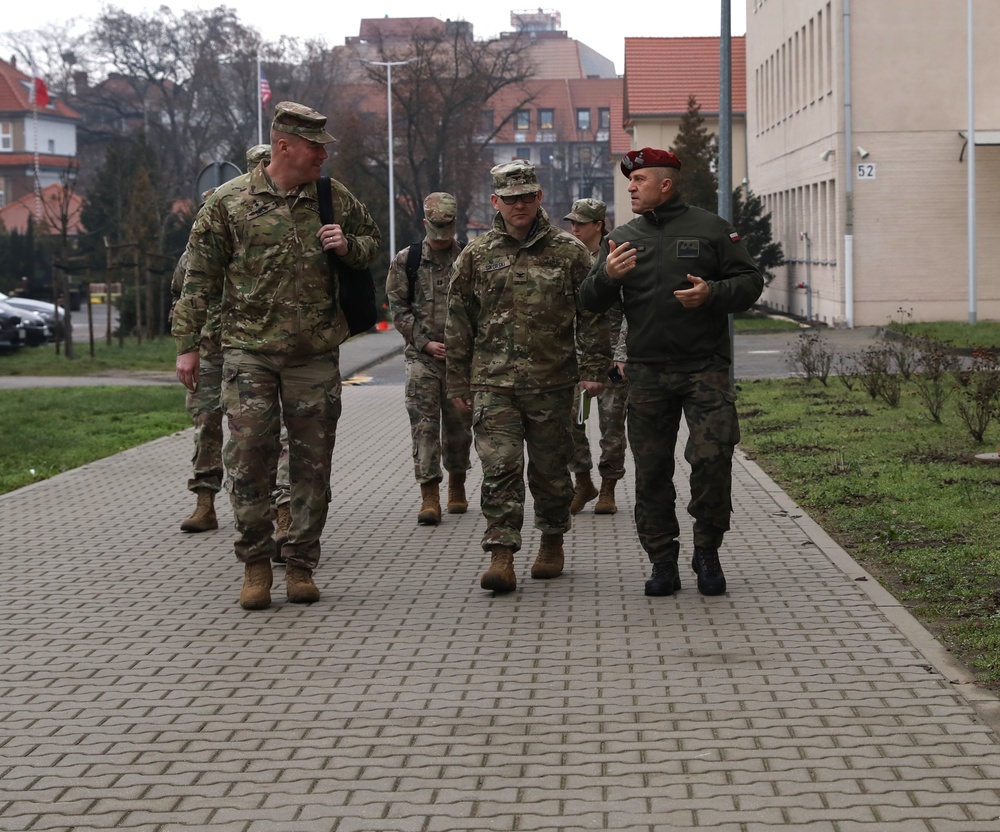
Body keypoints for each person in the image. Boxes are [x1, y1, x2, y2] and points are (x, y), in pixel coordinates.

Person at [172, 101, 381, 610]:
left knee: (312, 463)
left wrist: (347, 245)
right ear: (284, 145)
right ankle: (256, 564)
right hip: (248, 352)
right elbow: (199, 278)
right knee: (248, 460)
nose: (323, 155)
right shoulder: (228, 203)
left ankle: (302, 562)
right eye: (316, 147)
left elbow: (372, 246)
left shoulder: (333, 198)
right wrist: (188, 345)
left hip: (313, 353)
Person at [579, 147, 764, 598]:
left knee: (712, 462)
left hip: (704, 370)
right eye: (630, 181)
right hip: (646, 375)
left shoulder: (711, 229)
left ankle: (707, 551)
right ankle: (662, 561)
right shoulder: (622, 237)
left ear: (665, 184)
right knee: (652, 470)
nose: (630, 188)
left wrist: (712, 293)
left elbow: (751, 282)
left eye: (639, 180)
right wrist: (606, 276)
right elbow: (587, 300)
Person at [446, 160, 610, 593]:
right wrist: (458, 381)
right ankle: (502, 553)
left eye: (527, 196)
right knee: (500, 466)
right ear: (495, 202)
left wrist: (593, 369)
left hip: (552, 382)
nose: (519, 205)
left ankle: (552, 540)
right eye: (510, 198)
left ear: (540, 198)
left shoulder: (569, 251)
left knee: (550, 471)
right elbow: (459, 321)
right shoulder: (476, 256)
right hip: (493, 383)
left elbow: (593, 314)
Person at [386, 192, 472, 525]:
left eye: (446, 226)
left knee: (459, 428)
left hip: (459, 360)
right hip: (421, 358)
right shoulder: (407, 261)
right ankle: (430, 495)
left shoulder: (467, 257)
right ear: (425, 223)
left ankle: (457, 485)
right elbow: (397, 308)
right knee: (424, 427)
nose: (441, 234)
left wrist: (462, 346)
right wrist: (424, 344)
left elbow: (480, 308)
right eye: (435, 227)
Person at [562, 198, 629, 516]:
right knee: (571, 423)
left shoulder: (615, 255)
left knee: (612, 427)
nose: (573, 228)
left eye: (580, 223)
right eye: (571, 222)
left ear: (598, 225)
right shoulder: (566, 256)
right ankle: (583, 481)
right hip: (575, 357)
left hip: (611, 355)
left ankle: (608, 488)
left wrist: (623, 354)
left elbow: (631, 309)